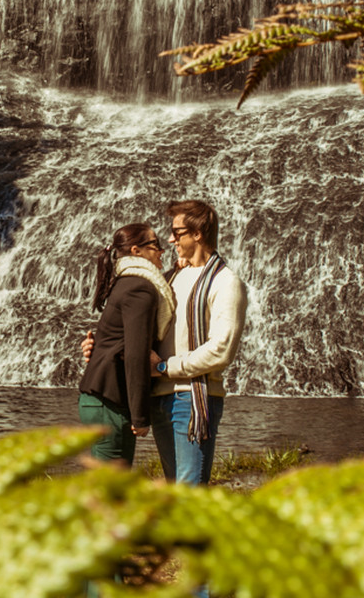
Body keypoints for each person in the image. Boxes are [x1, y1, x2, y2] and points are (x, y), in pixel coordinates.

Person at [148, 199, 247, 485]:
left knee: (189, 491)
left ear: (198, 233)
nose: (170, 239)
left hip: (191, 399)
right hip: (159, 396)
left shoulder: (225, 282)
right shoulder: (171, 277)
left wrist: (166, 367)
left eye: (177, 233)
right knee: (173, 488)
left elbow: (221, 350)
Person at [78, 223, 177, 465]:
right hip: (110, 401)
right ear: (136, 251)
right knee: (110, 492)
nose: (162, 250)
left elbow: (114, 339)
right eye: (155, 244)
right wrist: (140, 416)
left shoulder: (126, 282)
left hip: (100, 400)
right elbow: (135, 355)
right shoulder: (140, 287)